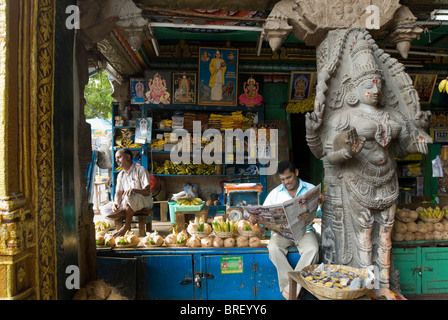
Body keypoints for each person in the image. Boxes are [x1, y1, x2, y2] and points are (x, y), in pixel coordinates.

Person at [305, 31, 432, 299]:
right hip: (357, 181)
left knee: (385, 237)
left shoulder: (392, 115)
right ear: (353, 89)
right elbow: (326, 154)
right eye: (369, 84)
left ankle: (384, 287)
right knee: (364, 236)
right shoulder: (344, 116)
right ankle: (366, 288)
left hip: (387, 180)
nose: (375, 90)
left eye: (378, 84)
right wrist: (341, 148)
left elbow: (402, 146)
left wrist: (417, 140)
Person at [260, 160, 324, 299]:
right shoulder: (275, 194)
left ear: (296, 173)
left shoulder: (310, 189)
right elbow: (264, 216)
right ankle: (295, 288)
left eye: (288, 177)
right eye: (282, 179)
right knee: (273, 248)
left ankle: (290, 290)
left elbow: (319, 213)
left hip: (304, 231)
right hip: (282, 233)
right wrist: (257, 219)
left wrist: (320, 203)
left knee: (313, 249)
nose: (286, 182)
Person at [108, 148, 153, 237]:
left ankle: (127, 226)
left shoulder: (140, 170)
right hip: (129, 202)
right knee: (105, 208)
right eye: (116, 158)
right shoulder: (121, 175)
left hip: (144, 201)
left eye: (119, 157)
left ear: (128, 157)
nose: (117, 160)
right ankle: (125, 211)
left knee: (129, 197)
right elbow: (118, 192)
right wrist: (116, 203)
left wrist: (134, 190)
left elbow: (147, 191)